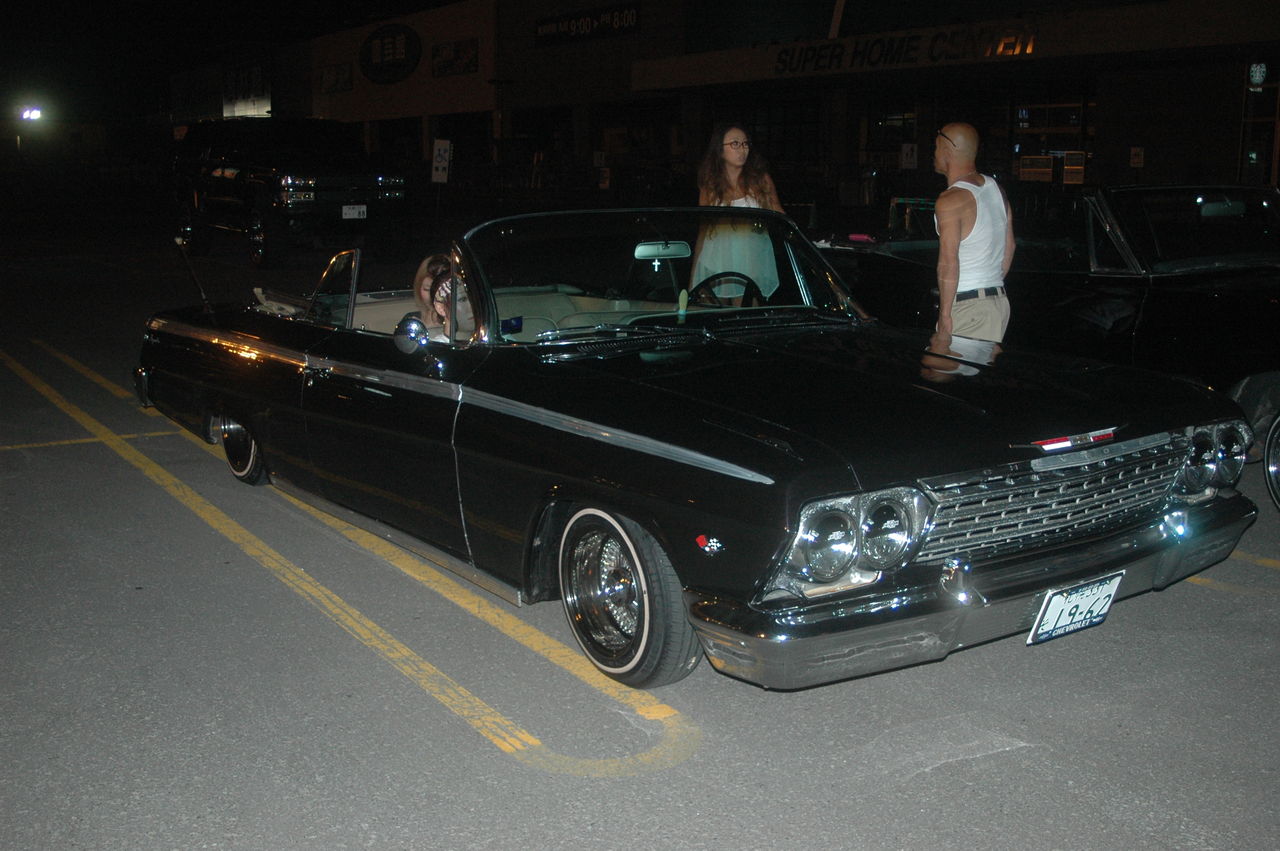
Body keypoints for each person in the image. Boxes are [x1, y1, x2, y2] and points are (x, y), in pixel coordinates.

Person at [932, 122, 1015, 343]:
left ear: (946, 151)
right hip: (997, 303)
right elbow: (1010, 247)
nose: (934, 154)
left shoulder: (950, 200)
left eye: (936, 147)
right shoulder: (996, 189)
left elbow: (948, 262)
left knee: (938, 363)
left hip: (967, 307)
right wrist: (988, 283)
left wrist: (945, 315)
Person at [691, 123, 784, 303]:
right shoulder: (710, 184)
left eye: (745, 143)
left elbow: (780, 216)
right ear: (720, 150)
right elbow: (703, 230)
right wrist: (694, 274)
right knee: (715, 315)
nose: (742, 149)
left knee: (746, 314)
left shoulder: (760, 180)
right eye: (735, 144)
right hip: (715, 262)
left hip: (751, 263)